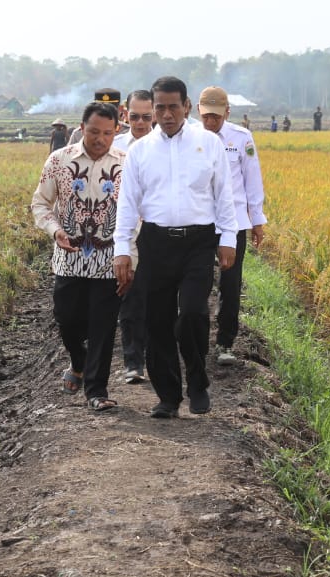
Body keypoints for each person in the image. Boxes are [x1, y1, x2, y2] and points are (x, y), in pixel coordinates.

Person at [114, 77, 238, 419]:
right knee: (157, 323)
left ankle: (197, 381)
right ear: (152, 110)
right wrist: (122, 249)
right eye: (160, 107)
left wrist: (227, 239)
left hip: (199, 241)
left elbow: (223, 194)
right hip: (155, 243)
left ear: (186, 107)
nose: (166, 114)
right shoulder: (140, 151)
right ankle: (168, 396)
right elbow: (127, 203)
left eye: (173, 106)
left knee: (194, 314)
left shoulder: (208, 143)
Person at [30, 101, 127, 412]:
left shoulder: (128, 164)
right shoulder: (59, 161)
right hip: (69, 259)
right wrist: (55, 229)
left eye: (108, 133)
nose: (100, 138)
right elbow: (41, 205)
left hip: (109, 260)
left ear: (116, 132)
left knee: (103, 325)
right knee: (66, 318)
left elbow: (137, 214)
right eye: (94, 131)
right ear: (82, 128)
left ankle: (97, 391)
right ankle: (78, 361)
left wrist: (131, 256)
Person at [197, 87, 267, 367]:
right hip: (200, 221)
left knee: (230, 283)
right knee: (197, 282)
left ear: (227, 112)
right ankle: (196, 340)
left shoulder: (241, 138)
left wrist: (257, 220)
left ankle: (225, 343)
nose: (210, 122)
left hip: (234, 222)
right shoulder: (190, 137)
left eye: (216, 116)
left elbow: (253, 180)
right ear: (197, 112)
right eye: (206, 116)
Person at [110, 89, 154, 384]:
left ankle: (155, 356)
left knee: (156, 299)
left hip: (157, 231)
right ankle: (133, 362)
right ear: (125, 114)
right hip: (125, 230)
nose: (140, 123)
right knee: (129, 295)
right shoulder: (114, 147)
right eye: (134, 116)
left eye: (146, 117)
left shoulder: (165, 146)